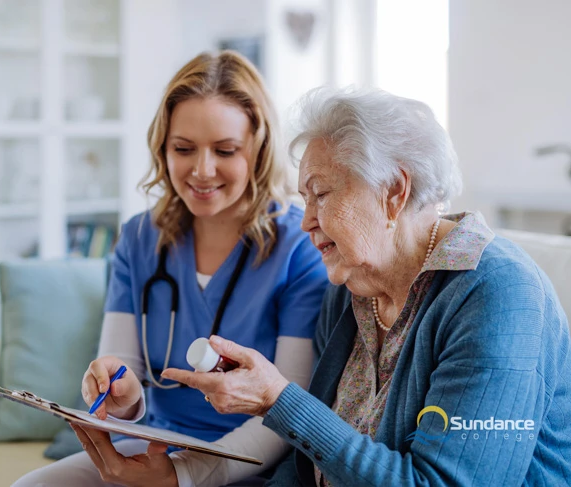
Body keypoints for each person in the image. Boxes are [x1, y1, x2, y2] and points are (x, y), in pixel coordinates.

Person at [162, 87, 571, 486]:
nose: (306, 221)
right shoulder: (349, 291)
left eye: (321, 193)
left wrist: (279, 400)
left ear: (394, 192)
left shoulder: (498, 296)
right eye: (304, 199)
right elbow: (306, 464)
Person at [13, 51, 328, 487]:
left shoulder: (300, 247)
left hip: (252, 461)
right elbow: (125, 377)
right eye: (183, 149)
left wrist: (185, 474)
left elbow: (287, 409)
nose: (202, 170)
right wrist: (114, 393)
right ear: (163, 148)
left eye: (225, 150)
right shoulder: (140, 238)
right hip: (155, 444)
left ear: (258, 148)